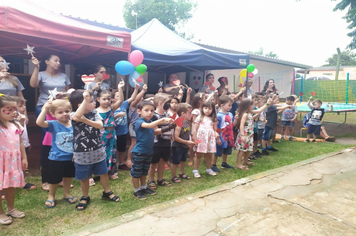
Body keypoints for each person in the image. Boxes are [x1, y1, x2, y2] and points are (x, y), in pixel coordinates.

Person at [69, 90, 120, 211]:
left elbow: (100, 125)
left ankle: (107, 192)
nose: (93, 104)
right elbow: (77, 116)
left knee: (103, 173)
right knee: (84, 177)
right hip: (81, 153)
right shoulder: (73, 114)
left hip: (98, 150)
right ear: (79, 104)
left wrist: (85, 120)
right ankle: (85, 196)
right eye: (90, 102)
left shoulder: (94, 113)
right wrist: (85, 101)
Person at [36, 99, 76, 208]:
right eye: (60, 112)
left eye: (67, 111)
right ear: (53, 114)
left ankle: (66, 193)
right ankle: (51, 196)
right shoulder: (53, 124)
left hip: (70, 157)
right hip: (56, 158)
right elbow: (39, 122)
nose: (64, 114)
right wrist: (44, 109)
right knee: (53, 179)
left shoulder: (73, 123)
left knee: (68, 177)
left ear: (71, 111)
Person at [131, 101, 173, 200]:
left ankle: (143, 187)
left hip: (148, 151)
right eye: (146, 110)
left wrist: (168, 127)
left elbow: (155, 131)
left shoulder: (150, 122)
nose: (150, 113)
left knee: (144, 172)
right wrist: (162, 120)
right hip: (139, 152)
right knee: (136, 172)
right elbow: (149, 127)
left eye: (152, 111)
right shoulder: (140, 122)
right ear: (139, 111)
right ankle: (137, 190)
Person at [0, 94, 27, 225]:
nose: (13, 112)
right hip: (1, 162)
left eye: (14, 109)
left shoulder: (16, 126)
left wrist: (24, 157)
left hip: (12, 161)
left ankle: (10, 208)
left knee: (11, 185)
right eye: (8, 109)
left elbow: (20, 142)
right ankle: (0, 213)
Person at [147, 93, 177, 188]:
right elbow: (155, 131)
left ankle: (160, 179)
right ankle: (150, 180)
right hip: (156, 143)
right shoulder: (154, 116)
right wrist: (168, 127)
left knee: (162, 161)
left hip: (166, 141)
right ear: (160, 103)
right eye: (168, 102)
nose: (169, 104)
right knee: (153, 163)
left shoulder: (167, 114)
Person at [114, 83, 140, 170]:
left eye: (120, 95)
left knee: (122, 149)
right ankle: (114, 164)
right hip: (114, 132)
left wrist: (136, 89)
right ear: (113, 98)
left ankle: (121, 163)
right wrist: (117, 116)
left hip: (123, 131)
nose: (120, 96)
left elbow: (132, 98)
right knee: (114, 149)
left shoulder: (124, 104)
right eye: (117, 95)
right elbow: (108, 120)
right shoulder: (111, 107)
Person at [192, 101, 218, 178]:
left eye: (209, 109)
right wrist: (195, 139)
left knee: (209, 155)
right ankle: (195, 170)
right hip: (201, 139)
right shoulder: (199, 117)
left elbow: (215, 129)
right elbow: (195, 129)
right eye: (205, 108)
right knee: (198, 155)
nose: (207, 110)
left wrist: (216, 134)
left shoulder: (214, 119)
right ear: (202, 108)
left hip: (210, 139)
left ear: (213, 110)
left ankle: (209, 169)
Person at [170, 103, 194, 183]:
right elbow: (176, 137)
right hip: (178, 146)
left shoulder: (186, 122)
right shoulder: (179, 123)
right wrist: (187, 141)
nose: (191, 114)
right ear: (183, 114)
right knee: (175, 161)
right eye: (189, 113)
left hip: (185, 145)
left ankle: (181, 173)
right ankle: (173, 176)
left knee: (183, 160)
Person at [211, 95, 235, 173]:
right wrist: (217, 138)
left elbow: (232, 124)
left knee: (227, 150)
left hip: (229, 136)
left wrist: (237, 120)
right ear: (222, 105)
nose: (231, 107)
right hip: (221, 136)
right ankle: (213, 164)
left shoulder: (230, 114)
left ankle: (224, 163)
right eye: (229, 105)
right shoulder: (218, 116)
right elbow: (216, 128)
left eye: (231, 105)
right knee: (218, 151)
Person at [16, 98, 35, 190]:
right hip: (14, 147)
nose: (24, 108)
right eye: (20, 106)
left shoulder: (22, 117)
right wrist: (20, 122)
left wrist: (28, 142)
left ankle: (22, 181)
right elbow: (17, 133)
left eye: (24, 106)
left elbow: (24, 132)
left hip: (24, 144)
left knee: (23, 165)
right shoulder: (11, 120)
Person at [127, 84, 148, 168]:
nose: (141, 99)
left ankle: (138, 158)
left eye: (142, 97)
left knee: (141, 142)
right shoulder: (133, 106)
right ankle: (129, 159)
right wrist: (142, 90)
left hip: (143, 126)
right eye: (140, 97)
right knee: (134, 142)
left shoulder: (144, 107)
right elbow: (136, 100)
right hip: (134, 126)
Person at [234, 98, 255, 170]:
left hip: (249, 134)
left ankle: (245, 160)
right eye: (253, 104)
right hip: (245, 134)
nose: (254, 106)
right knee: (242, 149)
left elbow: (259, 110)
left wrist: (268, 104)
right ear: (248, 105)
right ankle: (238, 163)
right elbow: (241, 125)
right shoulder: (245, 114)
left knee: (248, 148)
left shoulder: (249, 113)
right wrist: (243, 135)